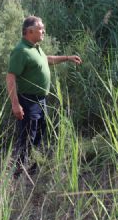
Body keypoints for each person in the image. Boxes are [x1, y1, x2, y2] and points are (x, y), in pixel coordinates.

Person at [6, 16, 82, 177]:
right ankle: (17, 174)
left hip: (41, 101)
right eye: (41, 28)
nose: (44, 31)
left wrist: (67, 58)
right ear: (30, 31)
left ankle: (32, 169)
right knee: (28, 135)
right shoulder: (21, 50)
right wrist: (15, 104)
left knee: (39, 133)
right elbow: (11, 77)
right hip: (28, 100)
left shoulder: (35, 47)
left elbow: (46, 60)